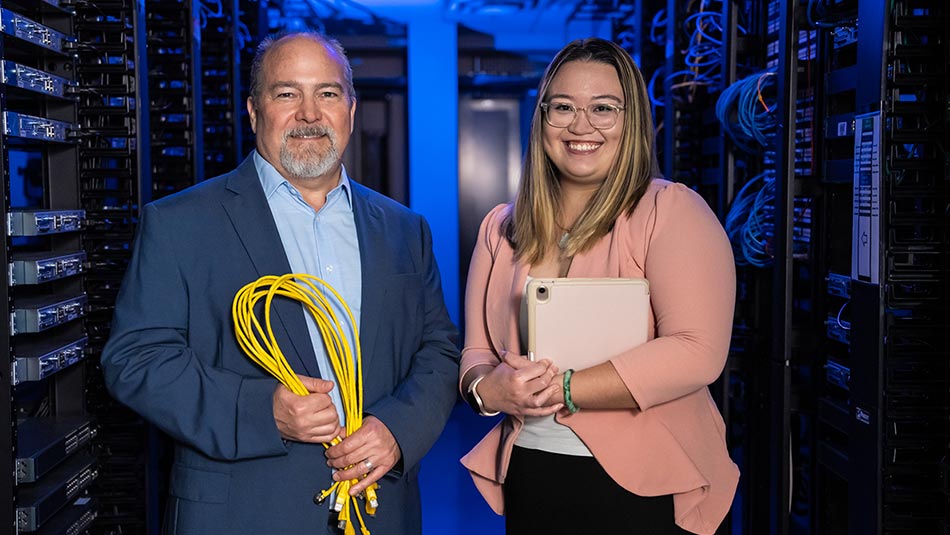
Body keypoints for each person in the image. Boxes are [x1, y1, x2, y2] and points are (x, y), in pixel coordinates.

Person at [100, 31, 459, 535]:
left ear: (351, 111)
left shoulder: (404, 229)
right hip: (240, 514)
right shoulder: (181, 223)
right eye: (287, 93)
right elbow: (135, 360)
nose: (310, 114)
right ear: (253, 111)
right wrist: (260, 411)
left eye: (328, 94)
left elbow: (438, 349)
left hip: (379, 512)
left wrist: (398, 430)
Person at [458, 37, 739, 535]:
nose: (581, 126)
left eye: (603, 108)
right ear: (541, 118)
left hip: (646, 482)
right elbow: (477, 353)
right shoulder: (501, 229)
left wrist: (562, 388)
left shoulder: (670, 211)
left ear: (630, 122)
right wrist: (487, 390)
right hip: (534, 470)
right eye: (563, 107)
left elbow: (698, 352)